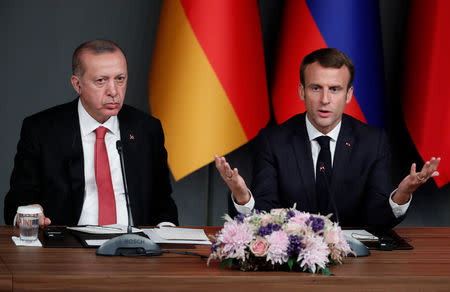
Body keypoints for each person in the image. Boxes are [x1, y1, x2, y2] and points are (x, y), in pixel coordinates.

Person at [215, 48, 440, 231]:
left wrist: (401, 195)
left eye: (334, 89)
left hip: (356, 265)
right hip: (291, 264)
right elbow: (264, 216)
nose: (325, 99)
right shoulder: (273, 141)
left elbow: (377, 219)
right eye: (316, 88)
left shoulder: (373, 142)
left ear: (349, 95)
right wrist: (243, 198)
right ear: (302, 92)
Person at [4, 39, 178, 227]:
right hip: (67, 247)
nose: (113, 91)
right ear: (77, 84)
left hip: (134, 246)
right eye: (101, 81)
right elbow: (18, 202)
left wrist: (166, 233)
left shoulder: (146, 129)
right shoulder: (42, 130)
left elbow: (162, 201)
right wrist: (28, 216)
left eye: (120, 79)